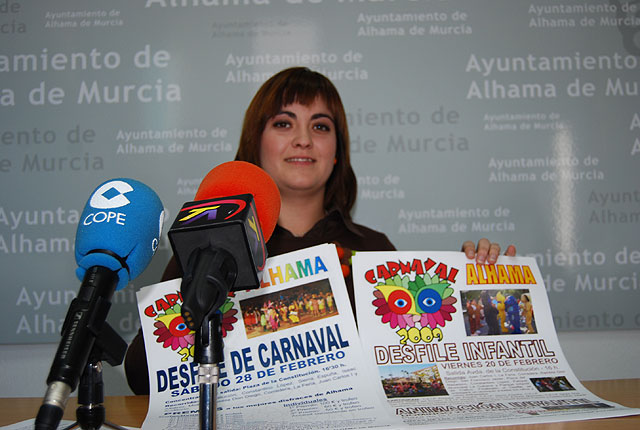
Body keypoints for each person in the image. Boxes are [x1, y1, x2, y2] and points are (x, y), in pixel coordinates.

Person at [124, 67, 515, 394]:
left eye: (321, 126)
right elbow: (144, 376)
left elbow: (422, 365)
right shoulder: (211, 244)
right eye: (283, 123)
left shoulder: (374, 248)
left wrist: (475, 284)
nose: (303, 140)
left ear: (337, 151)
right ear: (254, 143)